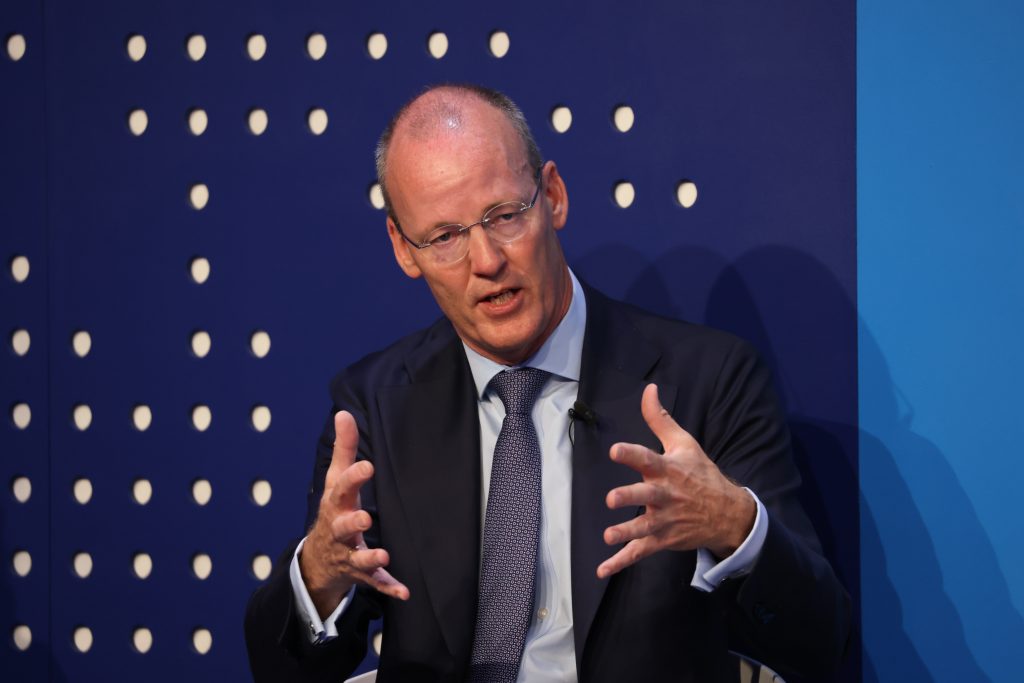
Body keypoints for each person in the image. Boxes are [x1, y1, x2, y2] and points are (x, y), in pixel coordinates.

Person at [244, 84, 850, 682]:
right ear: (405, 249)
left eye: (504, 216)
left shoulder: (707, 382)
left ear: (553, 197)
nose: (486, 261)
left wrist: (734, 526)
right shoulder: (375, 407)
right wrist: (318, 576)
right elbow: (283, 673)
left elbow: (821, 641)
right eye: (445, 237)